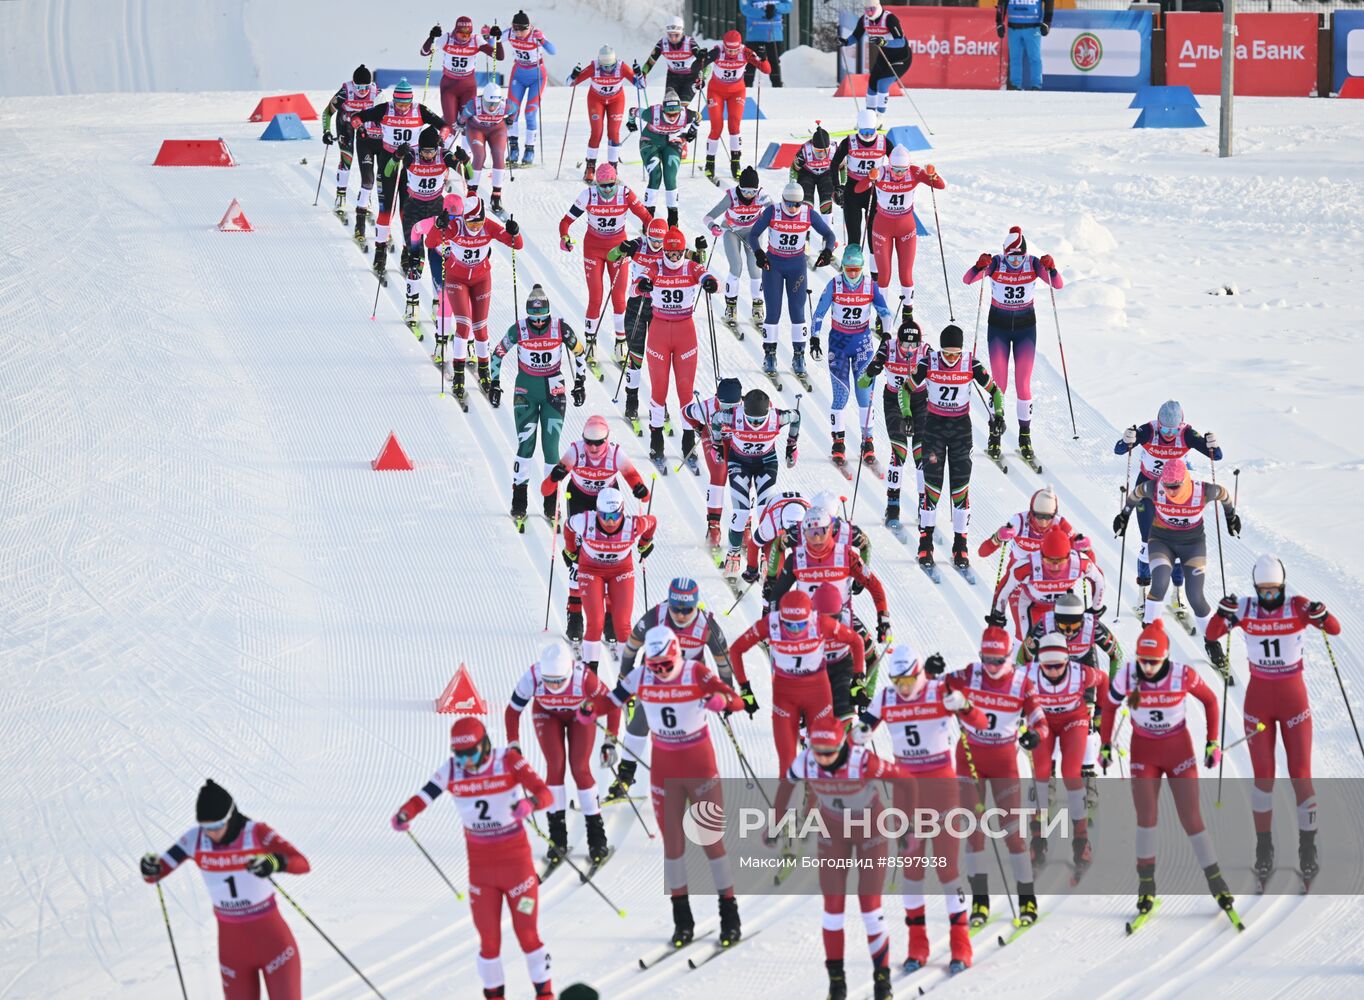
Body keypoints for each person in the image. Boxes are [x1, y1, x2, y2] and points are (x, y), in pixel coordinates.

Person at [579, 626, 747, 949]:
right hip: (665, 769)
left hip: (700, 767)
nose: (661, 672)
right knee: (673, 848)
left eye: (666, 665)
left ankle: (730, 915)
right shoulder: (641, 675)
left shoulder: (695, 671)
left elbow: (735, 701)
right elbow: (611, 701)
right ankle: (682, 922)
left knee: (711, 843)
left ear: (676, 654)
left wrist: (720, 700)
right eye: (655, 667)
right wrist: (590, 709)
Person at [391, 717, 555, 999]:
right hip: (482, 872)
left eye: (473, 753)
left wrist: (531, 803)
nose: (467, 761)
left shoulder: (508, 760)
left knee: (527, 935)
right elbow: (423, 797)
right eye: (461, 755)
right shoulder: (452, 770)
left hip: (517, 867)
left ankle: (545, 994)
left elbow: (546, 793)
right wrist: (405, 813)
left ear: (486, 745)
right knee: (488, 942)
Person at [1205, 555, 1341, 885]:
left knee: (1300, 775)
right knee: (1263, 777)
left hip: (1293, 701)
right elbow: (1211, 635)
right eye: (1262, 591)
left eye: (1273, 591)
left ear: (1282, 586)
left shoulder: (1296, 606)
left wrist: (1322, 614)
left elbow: (1334, 629)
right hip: (1259, 702)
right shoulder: (1246, 608)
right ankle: (1263, 848)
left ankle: (1307, 848)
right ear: (1255, 589)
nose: (1268, 598)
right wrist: (1222, 613)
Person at [1099, 621, 1237, 923]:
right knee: (1146, 818)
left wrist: (1212, 742)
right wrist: (1106, 744)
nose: (1148, 668)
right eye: (1143, 661)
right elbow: (1108, 707)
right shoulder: (1128, 675)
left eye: (1154, 662)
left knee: (1191, 818)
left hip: (1178, 752)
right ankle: (1146, 886)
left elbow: (1211, 701)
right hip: (1144, 752)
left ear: (1166, 657)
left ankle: (1217, 883)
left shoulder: (1181, 674)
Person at [857, 643, 981, 975]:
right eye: (897, 681)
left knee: (946, 868)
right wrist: (858, 732)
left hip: (941, 787)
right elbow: (865, 724)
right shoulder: (886, 696)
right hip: (906, 792)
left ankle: (960, 945)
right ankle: (917, 946)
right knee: (911, 871)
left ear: (918, 674)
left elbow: (980, 722)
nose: (904, 688)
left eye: (908, 680)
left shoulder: (939, 690)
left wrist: (965, 706)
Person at [140, 781, 308, 1000]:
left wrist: (272, 861)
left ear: (231, 816)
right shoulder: (195, 839)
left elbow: (301, 863)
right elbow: (156, 873)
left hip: (275, 946)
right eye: (206, 827)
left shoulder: (256, 832)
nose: (212, 834)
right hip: (233, 951)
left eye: (217, 826)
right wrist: (150, 867)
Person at [772, 724, 905, 999]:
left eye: (829, 753)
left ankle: (882, 982)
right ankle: (837, 984)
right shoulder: (807, 760)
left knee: (869, 907)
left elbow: (906, 780)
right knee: (832, 908)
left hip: (870, 832)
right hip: (833, 833)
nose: (822, 759)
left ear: (841, 747)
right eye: (818, 752)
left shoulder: (862, 761)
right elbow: (786, 785)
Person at [945, 626, 1048, 928]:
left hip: (1003, 763)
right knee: (973, 832)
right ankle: (980, 901)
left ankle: (1027, 898)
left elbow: (1039, 720)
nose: (991, 667)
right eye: (986, 659)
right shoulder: (969, 675)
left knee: (1011, 832)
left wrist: (1035, 736)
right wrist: (936, 678)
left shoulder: (1021, 682)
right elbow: (934, 689)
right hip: (969, 759)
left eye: (997, 661)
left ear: (1008, 657)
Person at [610, 577, 736, 799]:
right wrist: (625, 676)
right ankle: (624, 778)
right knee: (639, 723)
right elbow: (631, 647)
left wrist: (726, 692)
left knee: (684, 733)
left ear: (695, 605)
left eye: (687, 609)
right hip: (654, 679)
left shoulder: (706, 626)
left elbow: (723, 662)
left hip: (690, 684)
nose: (680, 614)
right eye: (676, 608)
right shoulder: (657, 616)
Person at [1114, 457, 1241, 666]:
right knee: (1160, 583)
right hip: (1161, 541)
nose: (1170, 491)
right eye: (1167, 486)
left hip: (1193, 545)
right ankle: (1149, 634)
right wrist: (1123, 516)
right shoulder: (1155, 487)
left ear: (1185, 480)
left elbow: (1225, 495)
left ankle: (1211, 642)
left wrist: (1231, 517)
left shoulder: (1203, 491)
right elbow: (1135, 494)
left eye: (1175, 486)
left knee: (1195, 596)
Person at [768, 511, 891, 724]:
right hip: (807, 622)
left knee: (870, 653)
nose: (816, 539)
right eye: (811, 533)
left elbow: (875, 584)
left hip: (840, 617)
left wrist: (883, 617)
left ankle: (862, 696)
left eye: (821, 532)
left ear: (830, 531)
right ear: (804, 533)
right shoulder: (797, 557)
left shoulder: (846, 555)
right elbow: (777, 595)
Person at [729, 589, 866, 772]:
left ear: (809, 617)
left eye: (800, 625)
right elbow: (736, 649)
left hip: (817, 693)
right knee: (787, 762)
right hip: (785, 695)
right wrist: (745, 688)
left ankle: (828, 793)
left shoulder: (820, 623)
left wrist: (858, 678)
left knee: (824, 752)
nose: (795, 631)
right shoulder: (771, 623)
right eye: (789, 625)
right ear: (781, 617)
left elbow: (856, 641)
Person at [505, 642, 614, 870]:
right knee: (555, 767)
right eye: (549, 681)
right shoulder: (533, 676)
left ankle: (597, 837)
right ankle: (557, 838)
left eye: (559, 681)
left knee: (580, 768)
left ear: (568, 672)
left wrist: (610, 741)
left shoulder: (584, 677)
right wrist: (513, 744)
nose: (554, 685)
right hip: (546, 714)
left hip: (579, 716)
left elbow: (612, 705)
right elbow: (512, 711)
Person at [906, 324, 1005, 570]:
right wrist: (907, 413)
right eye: (946, 353)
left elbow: (995, 390)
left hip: (961, 430)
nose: (951, 359)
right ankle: (925, 541)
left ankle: (960, 544)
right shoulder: (929, 362)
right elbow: (905, 389)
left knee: (960, 490)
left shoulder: (971, 364)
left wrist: (999, 415)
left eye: (955, 354)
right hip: (934, 429)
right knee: (932, 489)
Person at [486, 285, 588, 522]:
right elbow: (497, 354)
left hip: (554, 392)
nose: (539, 324)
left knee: (551, 448)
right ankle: (519, 501)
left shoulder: (560, 327)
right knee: (526, 446)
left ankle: (550, 503)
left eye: (543, 319)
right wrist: (495, 383)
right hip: (525, 392)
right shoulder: (519, 329)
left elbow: (580, 352)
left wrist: (580, 383)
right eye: (534, 319)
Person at [962, 227, 1062, 464]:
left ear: (1025, 254)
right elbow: (968, 279)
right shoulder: (996, 263)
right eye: (1011, 257)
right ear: (1004, 253)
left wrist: (1052, 267)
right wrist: (979, 266)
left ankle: (1024, 437)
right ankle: (994, 434)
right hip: (998, 326)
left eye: (1019, 257)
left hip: (1026, 328)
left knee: (1023, 383)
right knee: (999, 385)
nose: (1015, 262)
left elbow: (1057, 284)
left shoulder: (1034, 264)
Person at [543, 414, 650, 621]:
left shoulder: (615, 454)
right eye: (589, 442)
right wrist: (554, 477)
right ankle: (574, 612)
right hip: (580, 499)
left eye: (598, 443)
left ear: (606, 440)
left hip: (608, 501)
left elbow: (639, 486)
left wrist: (639, 488)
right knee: (578, 557)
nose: (592, 448)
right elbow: (545, 489)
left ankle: (610, 613)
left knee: (610, 552)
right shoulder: (575, 451)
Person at [1113, 400, 1223, 589]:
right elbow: (1119, 449)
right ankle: (1143, 592)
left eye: (1173, 430)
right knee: (1147, 541)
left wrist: (1213, 444)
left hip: (1177, 493)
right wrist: (1126, 439)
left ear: (1180, 425)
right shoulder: (1149, 430)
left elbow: (1216, 455)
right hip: (1147, 488)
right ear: (1158, 423)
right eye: (1164, 430)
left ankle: (1178, 593)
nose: (1168, 434)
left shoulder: (1187, 434)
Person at [631, 227, 718, 465]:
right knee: (659, 389)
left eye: (677, 253)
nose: (672, 258)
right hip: (659, 331)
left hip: (684, 333)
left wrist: (710, 283)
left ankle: (688, 442)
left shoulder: (690, 266)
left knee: (685, 391)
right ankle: (656, 441)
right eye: (668, 253)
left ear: (683, 250)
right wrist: (643, 286)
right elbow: (636, 285)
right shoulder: (656, 266)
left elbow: (708, 277)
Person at [1023, 632, 1108, 871]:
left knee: (1071, 772)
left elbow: (1103, 681)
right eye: (1047, 667)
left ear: (1066, 662)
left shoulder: (1080, 673)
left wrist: (1101, 712)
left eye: (1058, 666)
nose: (1053, 672)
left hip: (1074, 720)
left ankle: (1081, 840)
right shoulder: (1027, 673)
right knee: (1040, 773)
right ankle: (1038, 839)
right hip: (1042, 723)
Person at [422, 195, 522, 396]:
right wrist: (438, 227)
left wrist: (515, 232)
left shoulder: (488, 226)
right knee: (464, 325)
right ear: (464, 218)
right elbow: (430, 242)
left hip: (481, 279)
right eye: (471, 222)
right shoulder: (456, 226)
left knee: (480, 327)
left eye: (479, 221)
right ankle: (459, 376)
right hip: (456, 279)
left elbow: (516, 244)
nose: (475, 226)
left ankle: (485, 372)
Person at [349, 78, 448, 275]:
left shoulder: (420, 110)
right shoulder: (385, 109)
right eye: (399, 104)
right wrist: (359, 126)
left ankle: (407, 253)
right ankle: (380, 253)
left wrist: (440, 139)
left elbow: (445, 126)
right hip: (389, 161)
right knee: (386, 210)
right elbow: (357, 117)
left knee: (407, 212)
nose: (402, 108)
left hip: (411, 164)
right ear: (393, 100)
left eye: (406, 104)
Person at [559, 163, 653, 362]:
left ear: (616, 181)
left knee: (619, 297)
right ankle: (590, 342)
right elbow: (565, 222)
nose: (608, 190)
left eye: (611, 185)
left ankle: (621, 344)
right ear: (597, 184)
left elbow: (646, 217)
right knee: (596, 297)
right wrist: (565, 238)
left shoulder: (625, 194)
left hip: (619, 248)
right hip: (594, 248)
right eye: (603, 186)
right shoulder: (588, 195)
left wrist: (654, 237)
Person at [811, 245, 892, 470]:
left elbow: (885, 312)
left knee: (864, 394)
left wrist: (886, 334)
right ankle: (838, 442)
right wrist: (814, 337)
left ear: (862, 268)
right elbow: (819, 312)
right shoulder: (835, 284)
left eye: (856, 269)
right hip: (838, 344)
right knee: (841, 395)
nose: (853, 274)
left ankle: (868, 442)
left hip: (862, 345)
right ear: (843, 267)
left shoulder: (870, 285)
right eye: (848, 269)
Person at [748, 182, 837, 381]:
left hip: (797, 267)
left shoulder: (808, 213)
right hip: (773, 266)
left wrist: (828, 251)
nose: (793, 209)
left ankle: (799, 356)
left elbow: (829, 234)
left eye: (797, 204)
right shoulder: (772, 211)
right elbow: (754, 235)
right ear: (783, 200)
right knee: (773, 312)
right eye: (789, 204)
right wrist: (759, 254)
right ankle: (769, 355)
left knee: (797, 312)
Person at [710, 388, 801, 576]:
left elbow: (796, 416)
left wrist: (792, 445)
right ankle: (733, 553)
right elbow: (717, 419)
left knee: (764, 511)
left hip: (765, 463)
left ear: (768, 411)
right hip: (739, 463)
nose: (755, 424)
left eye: (759, 421)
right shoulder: (734, 416)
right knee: (742, 511)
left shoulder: (777, 417)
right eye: (750, 420)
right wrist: (716, 444)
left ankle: (765, 555)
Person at [387, 128, 469, 317]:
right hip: (413, 210)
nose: (428, 155)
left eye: (431, 151)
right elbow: (388, 171)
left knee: (438, 259)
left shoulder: (443, 156)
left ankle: (437, 303)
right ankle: (412, 305)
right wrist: (396, 156)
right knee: (416, 261)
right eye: (424, 151)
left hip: (436, 211)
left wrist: (464, 160)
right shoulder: (412, 156)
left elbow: (468, 174)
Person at [859, 314, 926, 526]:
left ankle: (924, 504)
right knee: (899, 451)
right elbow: (863, 382)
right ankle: (893, 504)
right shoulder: (888, 347)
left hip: (919, 402)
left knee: (920, 453)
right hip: (894, 401)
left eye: (913, 344)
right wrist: (871, 371)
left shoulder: (925, 351)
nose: (908, 349)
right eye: (904, 344)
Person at [857, 149, 943, 310]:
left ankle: (908, 310)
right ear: (889, 166)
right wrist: (870, 177)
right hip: (882, 227)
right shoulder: (881, 172)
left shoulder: (915, 172)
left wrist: (933, 175)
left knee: (906, 273)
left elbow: (940, 185)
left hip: (906, 228)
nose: (899, 174)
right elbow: (858, 189)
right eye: (895, 169)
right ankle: (882, 312)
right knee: (884, 275)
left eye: (903, 170)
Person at [989, 524, 1106, 639]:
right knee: (1031, 647)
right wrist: (998, 613)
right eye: (1049, 561)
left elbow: (1098, 579)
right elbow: (1006, 588)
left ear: (1068, 557)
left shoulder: (1079, 563)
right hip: (1031, 606)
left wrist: (1096, 608)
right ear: (1041, 556)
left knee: (1066, 646)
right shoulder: (1027, 565)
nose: (1055, 567)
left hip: (1062, 607)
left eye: (1060, 561)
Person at [703, 166, 769, 330]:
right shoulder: (731, 197)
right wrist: (713, 226)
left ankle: (757, 309)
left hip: (753, 233)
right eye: (745, 191)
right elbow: (707, 217)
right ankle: (731, 308)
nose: (748, 195)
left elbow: (776, 212)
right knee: (736, 266)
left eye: (752, 191)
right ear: (739, 187)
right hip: (732, 232)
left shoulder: (761, 196)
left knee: (755, 268)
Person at [680, 379, 745, 547]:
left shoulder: (747, 406)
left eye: (734, 405)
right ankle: (714, 527)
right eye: (724, 406)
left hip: (736, 441)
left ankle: (746, 525)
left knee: (743, 475)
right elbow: (685, 412)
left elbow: (768, 408)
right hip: (713, 438)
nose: (729, 410)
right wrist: (698, 427)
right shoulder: (707, 407)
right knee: (719, 473)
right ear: (717, 399)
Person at [321, 65, 382, 242]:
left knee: (368, 162)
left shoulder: (376, 92)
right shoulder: (345, 92)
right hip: (346, 123)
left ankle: (366, 198)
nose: (362, 92)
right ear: (353, 85)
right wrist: (326, 131)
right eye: (359, 88)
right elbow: (327, 112)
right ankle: (341, 196)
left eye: (366, 87)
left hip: (365, 125)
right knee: (346, 157)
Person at [699, 31, 771, 180]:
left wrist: (764, 58)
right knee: (716, 127)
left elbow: (767, 70)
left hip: (736, 92)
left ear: (739, 47)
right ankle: (710, 163)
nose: (732, 53)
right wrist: (701, 59)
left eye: (735, 50)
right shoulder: (718, 51)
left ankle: (735, 164)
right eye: (729, 50)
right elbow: (699, 65)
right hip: (716, 91)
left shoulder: (745, 52)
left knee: (734, 125)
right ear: (724, 46)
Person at [628, 88, 703, 227]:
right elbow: (632, 110)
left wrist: (693, 130)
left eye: (676, 113)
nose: (673, 117)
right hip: (650, 142)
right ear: (663, 110)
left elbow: (698, 116)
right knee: (655, 177)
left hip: (672, 142)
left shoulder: (686, 114)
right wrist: (631, 122)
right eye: (669, 114)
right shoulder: (652, 113)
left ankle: (673, 223)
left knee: (670, 178)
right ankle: (648, 222)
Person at [568, 46, 637, 182]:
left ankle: (613, 168)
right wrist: (574, 75)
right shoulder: (594, 67)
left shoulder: (621, 67)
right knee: (597, 132)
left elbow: (641, 85)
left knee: (614, 132)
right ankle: (590, 167)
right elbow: (570, 83)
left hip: (616, 100)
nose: (607, 70)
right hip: (596, 100)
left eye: (610, 67)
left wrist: (638, 74)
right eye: (604, 67)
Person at [421, 18, 504, 125]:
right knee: (451, 122)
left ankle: (465, 140)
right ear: (455, 31)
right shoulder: (447, 38)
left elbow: (499, 56)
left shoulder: (476, 40)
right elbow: (425, 52)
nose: (464, 38)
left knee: (468, 122)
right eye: (461, 34)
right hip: (449, 85)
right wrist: (431, 38)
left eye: (467, 34)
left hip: (468, 86)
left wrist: (498, 39)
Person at [832, 110, 888, 256]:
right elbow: (834, 163)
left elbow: (898, 165)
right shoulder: (849, 141)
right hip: (853, 192)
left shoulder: (884, 141)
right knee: (854, 236)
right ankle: (852, 270)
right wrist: (837, 187)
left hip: (875, 192)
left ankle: (875, 275)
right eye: (864, 131)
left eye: (871, 131)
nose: (868, 135)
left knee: (873, 236)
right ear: (858, 128)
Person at [503, 11, 555, 165]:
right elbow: (492, 44)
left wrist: (543, 41)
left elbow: (553, 51)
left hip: (536, 76)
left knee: (530, 113)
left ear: (528, 27)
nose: (519, 33)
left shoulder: (535, 34)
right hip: (518, 75)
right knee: (512, 112)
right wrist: (491, 35)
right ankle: (513, 149)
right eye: (516, 29)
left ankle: (529, 150)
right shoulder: (511, 33)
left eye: (522, 30)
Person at [839, 3, 912, 115]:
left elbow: (901, 42)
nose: (869, 12)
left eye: (872, 9)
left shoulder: (889, 19)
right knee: (872, 83)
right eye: (866, 9)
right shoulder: (864, 19)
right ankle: (869, 117)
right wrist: (846, 42)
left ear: (878, 7)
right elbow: (856, 36)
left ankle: (880, 117)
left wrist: (883, 42)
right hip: (883, 56)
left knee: (882, 83)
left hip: (901, 56)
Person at [458, 82, 512, 214]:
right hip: (477, 129)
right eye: (488, 104)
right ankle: (472, 192)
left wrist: (510, 121)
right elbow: (463, 118)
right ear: (483, 99)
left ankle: (496, 196)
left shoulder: (506, 105)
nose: (492, 108)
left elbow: (514, 111)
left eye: (495, 104)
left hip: (497, 130)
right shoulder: (473, 105)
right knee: (480, 156)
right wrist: (461, 124)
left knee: (499, 155)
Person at [636, 16, 705, 105]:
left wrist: (701, 55)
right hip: (673, 77)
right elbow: (651, 61)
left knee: (683, 107)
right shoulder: (662, 43)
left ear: (682, 32)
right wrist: (643, 73)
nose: (673, 38)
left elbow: (701, 59)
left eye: (676, 35)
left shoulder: (689, 42)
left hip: (690, 77)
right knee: (670, 105)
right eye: (670, 35)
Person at [997, 0, 1054, 92]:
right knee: (1015, 58)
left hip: (1033, 28)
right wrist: (999, 22)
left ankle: (1036, 86)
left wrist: (1047, 22)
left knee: (1034, 58)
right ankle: (1015, 86)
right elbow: (1001, 3)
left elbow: (1049, 2)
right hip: (1013, 28)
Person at [740, 2, 791, 87]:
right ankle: (746, 89)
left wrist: (775, 8)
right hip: (754, 35)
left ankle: (778, 90)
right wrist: (764, 13)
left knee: (774, 63)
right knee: (750, 63)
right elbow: (745, 8)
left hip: (775, 35)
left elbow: (788, 6)